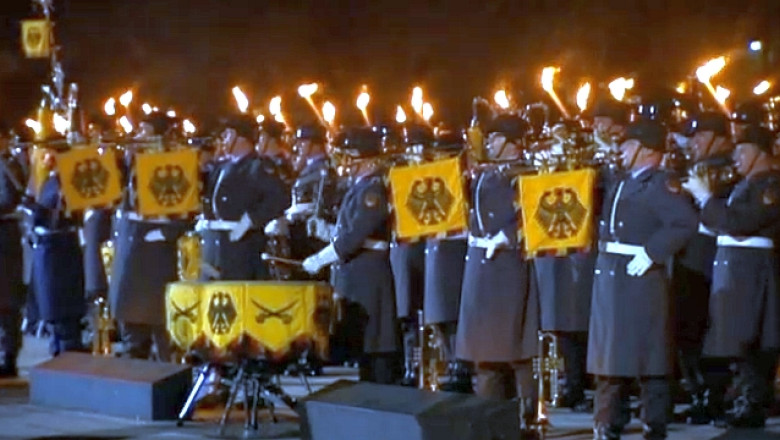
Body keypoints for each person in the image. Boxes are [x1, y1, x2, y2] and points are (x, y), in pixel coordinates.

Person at [589, 119, 697, 440]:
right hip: (612, 275)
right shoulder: (623, 179)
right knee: (610, 353)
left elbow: (684, 222)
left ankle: (654, 420)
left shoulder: (660, 184)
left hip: (640, 277)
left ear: (645, 150)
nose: (621, 150)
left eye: (628, 145)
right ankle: (609, 420)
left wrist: (652, 252)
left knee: (650, 354)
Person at [683, 124, 780, 428]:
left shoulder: (769, 185)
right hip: (736, 267)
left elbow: (741, 221)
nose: (736, 157)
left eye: (744, 151)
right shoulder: (747, 183)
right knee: (739, 340)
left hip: (752, 269)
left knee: (753, 341)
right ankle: (742, 401)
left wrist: (706, 200)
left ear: (760, 153)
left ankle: (752, 404)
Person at [455, 114, 540, 432]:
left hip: (508, 264)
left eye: (495, 137)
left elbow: (537, 210)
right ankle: (490, 415)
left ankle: (526, 418)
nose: (488, 143)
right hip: (481, 263)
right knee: (484, 351)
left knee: (517, 349)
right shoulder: (488, 173)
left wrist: (508, 235)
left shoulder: (527, 172)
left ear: (510, 141)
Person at [302, 127, 400, 384]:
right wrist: (326, 231)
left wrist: (321, 258)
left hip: (368, 274)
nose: (345, 162)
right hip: (356, 272)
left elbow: (356, 236)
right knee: (362, 344)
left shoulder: (372, 191)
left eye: (350, 156)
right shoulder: (358, 187)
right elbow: (347, 230)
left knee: (374, 343)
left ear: (366, 159)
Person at [670, 112, 736, 423]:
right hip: (688, 260)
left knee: (713, 334)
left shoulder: (728, 170)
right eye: (692, 137)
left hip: (713, 260)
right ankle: (699, 393)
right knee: (688, 331)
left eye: (701, 136)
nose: (695, 142)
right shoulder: (692, 166)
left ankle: (715, 396)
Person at [109, 113, 189, 360]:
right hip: (131, 242)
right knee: (130, 310)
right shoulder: (132, 161)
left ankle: (169, 367)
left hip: (156, 247)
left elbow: (189, 207)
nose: (138, 136)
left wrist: (165, 232)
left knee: (158, 315)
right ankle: (134, 354)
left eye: (144, 131)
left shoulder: (176, 163)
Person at [197, 114, 287, 281]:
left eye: (228, 134)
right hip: (216, 245)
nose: (223, 139)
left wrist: (251, 220)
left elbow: (279, 198)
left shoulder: (257, 166)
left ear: (241, 138)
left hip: (243, 247)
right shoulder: (221, 167)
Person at [28, 146, 87, 356]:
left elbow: (62, 215)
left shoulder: (68, 181)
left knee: (61, 304)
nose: (46, 158)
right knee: (51, 304)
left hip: (60, 247)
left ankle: (68, 351)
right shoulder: (46, 180)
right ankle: (58, 347)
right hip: (48, 246)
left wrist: (36, 211)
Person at [390, 123, 432, 386]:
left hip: (426, 249)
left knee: (428, 315)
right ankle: (411, 366)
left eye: (420, 146)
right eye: (411, 146)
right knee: (406, 317)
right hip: (404, 250)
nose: (415, 151)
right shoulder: (396, 173)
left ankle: (432, 366)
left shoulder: (436, 174)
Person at [0, 134, 26, 375]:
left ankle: (8, 356)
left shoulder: (8, 165)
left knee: (6, 302)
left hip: (4, 241)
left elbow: (11, 198)